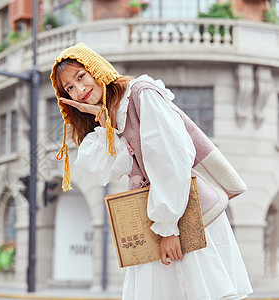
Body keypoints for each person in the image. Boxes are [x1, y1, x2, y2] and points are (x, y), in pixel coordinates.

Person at [50, 43, 253, 300]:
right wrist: (104, 124)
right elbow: (101, 170)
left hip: (182, 218)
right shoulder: (114, 115)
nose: (79, 90)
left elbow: (171, 160)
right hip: (155, 222)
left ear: (96, 69)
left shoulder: (141, 94)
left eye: (81, 77)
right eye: (69, 88)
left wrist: (169, 229)